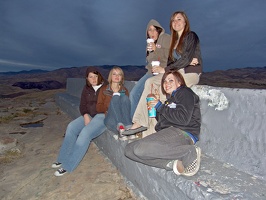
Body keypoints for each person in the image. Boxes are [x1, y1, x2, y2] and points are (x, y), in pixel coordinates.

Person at [124, 11, 202, 137]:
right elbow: (172, 61)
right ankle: (140, 122)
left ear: (185, 22)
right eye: (173, 20)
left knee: (165, 89)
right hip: (176, 72)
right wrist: (165, 68)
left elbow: (186, 58)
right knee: (150, 82)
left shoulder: (190, 36)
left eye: (179, 19)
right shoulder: (174, 42)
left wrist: (165, 69)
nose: (176, 22)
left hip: (189, 73)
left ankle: (154, 130)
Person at [124, 69, 201, 176]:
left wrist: (160, 106)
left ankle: (188, 152)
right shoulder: (170, 100)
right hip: (169, 134)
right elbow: (163, 121)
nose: (166, 83)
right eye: (164, 81)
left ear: (179, 82)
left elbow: (183, 119)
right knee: (129, 150)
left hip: (183, 133)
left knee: (139, 149)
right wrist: (156, 108)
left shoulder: (184, 92)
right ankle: (170, 163)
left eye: (170, 81)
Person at [52, 67, 107, 176]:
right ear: (87, 78)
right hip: (89, 115)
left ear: (99, 76)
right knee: (71, 127)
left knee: (85, 134)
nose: (94, 79)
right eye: (91, 77)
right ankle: (63, 158)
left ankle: (68, 165)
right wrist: (86, 115)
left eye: (95, 76)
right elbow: (82, 105)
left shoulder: (106, 88)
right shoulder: (87, 88)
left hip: (102, 117)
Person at [129, 19, 170, 118]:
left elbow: (170, 56)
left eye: (154, 29)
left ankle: (141, 122)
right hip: (151, 72)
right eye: (149, 30)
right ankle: (134, 122)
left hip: (164, 72)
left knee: (154, 98)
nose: (152, 32)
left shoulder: (166, 38)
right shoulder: (149, 45)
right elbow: (151, 62)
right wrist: (152, 51)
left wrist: (157, 49)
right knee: (134, 94)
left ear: (159, 30)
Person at [96, 66, 132, 140]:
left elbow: (126, 108)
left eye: (119, 74)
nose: (117, 76)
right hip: (110, 118)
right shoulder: (104, 90)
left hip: (124, 118)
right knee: (115, 97)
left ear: (122, 77)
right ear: (110, 76)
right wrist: (112, 104)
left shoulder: (125, 90)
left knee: (124, 98)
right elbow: (98, 108)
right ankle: (121, 128)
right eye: (114, 74)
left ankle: (128, 127)